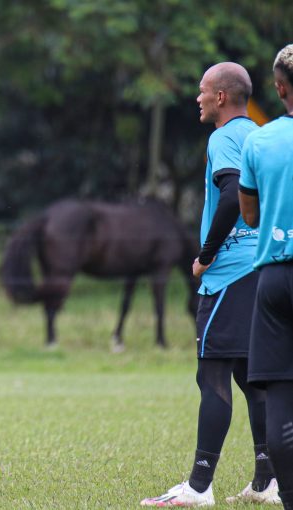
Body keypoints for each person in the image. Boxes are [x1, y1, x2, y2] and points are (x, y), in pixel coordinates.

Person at [141, 62, 279, 506]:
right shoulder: (257, 134)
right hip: (260, 268)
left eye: (202, 91)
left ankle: (199, 487)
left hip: (229, 274)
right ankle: (267, 480)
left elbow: (231, 192)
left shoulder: (223, 137)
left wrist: (205, 255)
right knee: (249, 377)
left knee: (213, 375)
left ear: (221, 97)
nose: (197, 98)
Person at [239, 43, 293, 510]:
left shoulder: (259, 139)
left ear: (279, 89)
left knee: (278, 394)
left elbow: (250, 216)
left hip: (275, 278)